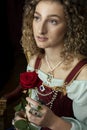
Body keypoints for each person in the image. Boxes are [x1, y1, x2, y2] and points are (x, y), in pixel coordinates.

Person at [6, 0, 87, 130]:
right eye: (37, 18)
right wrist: (24, 118)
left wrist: (53, 122)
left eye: (53, 21)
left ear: (71, 25)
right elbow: (34, 106)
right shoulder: (35, 61)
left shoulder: (83, 74)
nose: (41, 29)